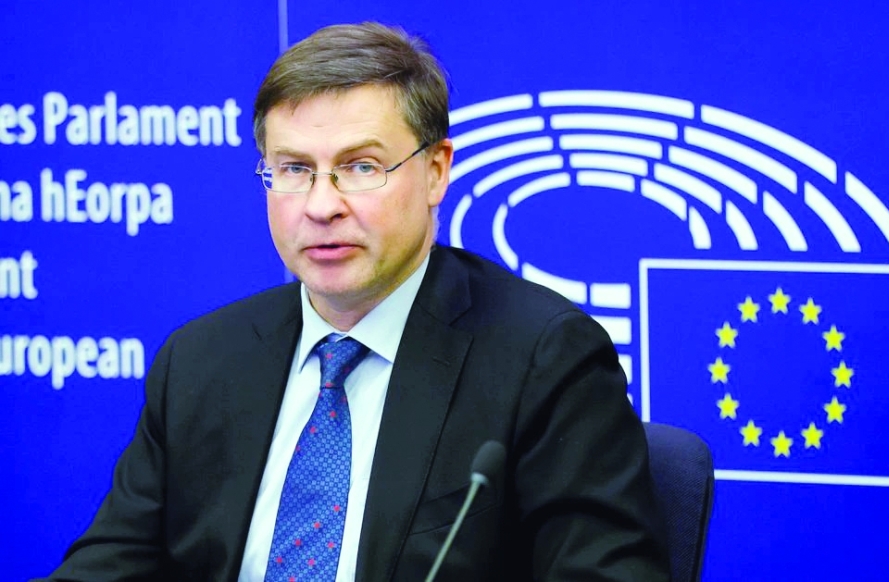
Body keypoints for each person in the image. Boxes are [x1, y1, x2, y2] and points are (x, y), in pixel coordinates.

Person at [41, 22, 669, 581]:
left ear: (436, 171)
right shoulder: (202, 360)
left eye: (361, 167)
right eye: (293, 169)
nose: (321, 205)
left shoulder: (542, 359)